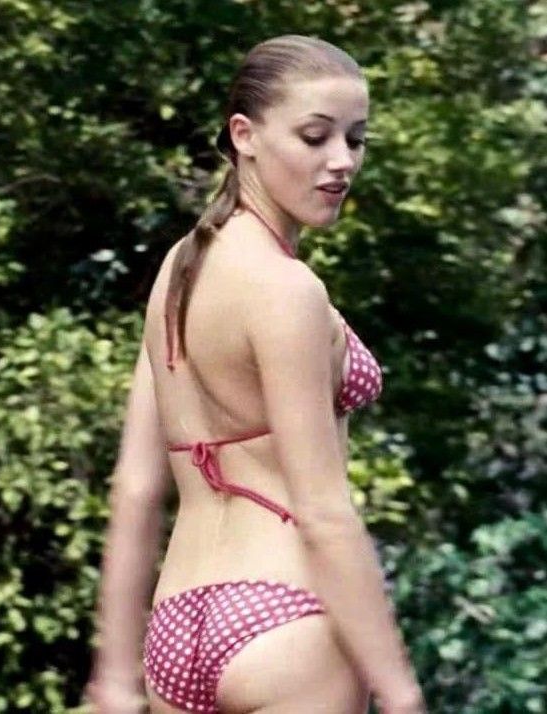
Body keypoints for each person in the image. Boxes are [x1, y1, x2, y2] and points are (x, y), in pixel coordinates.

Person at [86, 34, 427, 714]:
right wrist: (400, 691)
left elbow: (136, 485)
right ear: (243, 135)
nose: (341, 161)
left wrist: (116, 672)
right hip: (288, 618)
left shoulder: (179, 271)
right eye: (314, 137)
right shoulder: (286, 289)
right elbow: (323, 512)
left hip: (177, 631)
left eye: (356, 139)